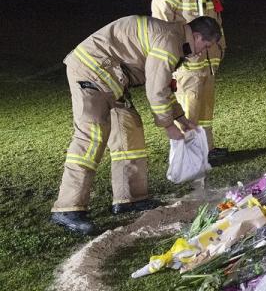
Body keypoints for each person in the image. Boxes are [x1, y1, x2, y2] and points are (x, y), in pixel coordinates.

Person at [51, 15, 223, 235]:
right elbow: (156, 90)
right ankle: (67, 208)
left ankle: (129, 198)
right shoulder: (170, 41)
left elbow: (161, 87)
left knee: (130, 128)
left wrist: (180, 117)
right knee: (92, 135)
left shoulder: (174, 38)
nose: (201, 52)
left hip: (111, 79)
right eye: (205, 46)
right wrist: (169, 126)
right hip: (91, 73)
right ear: (197, 36)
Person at [151, 0, 229, 160]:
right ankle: (187, 154)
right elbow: (160, 18)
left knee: (204, 110)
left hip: (208, 58)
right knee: (188, 109)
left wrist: (220, 45)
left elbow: (216, 12)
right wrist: (174, 51)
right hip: (188, 59)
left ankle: (206, 149)